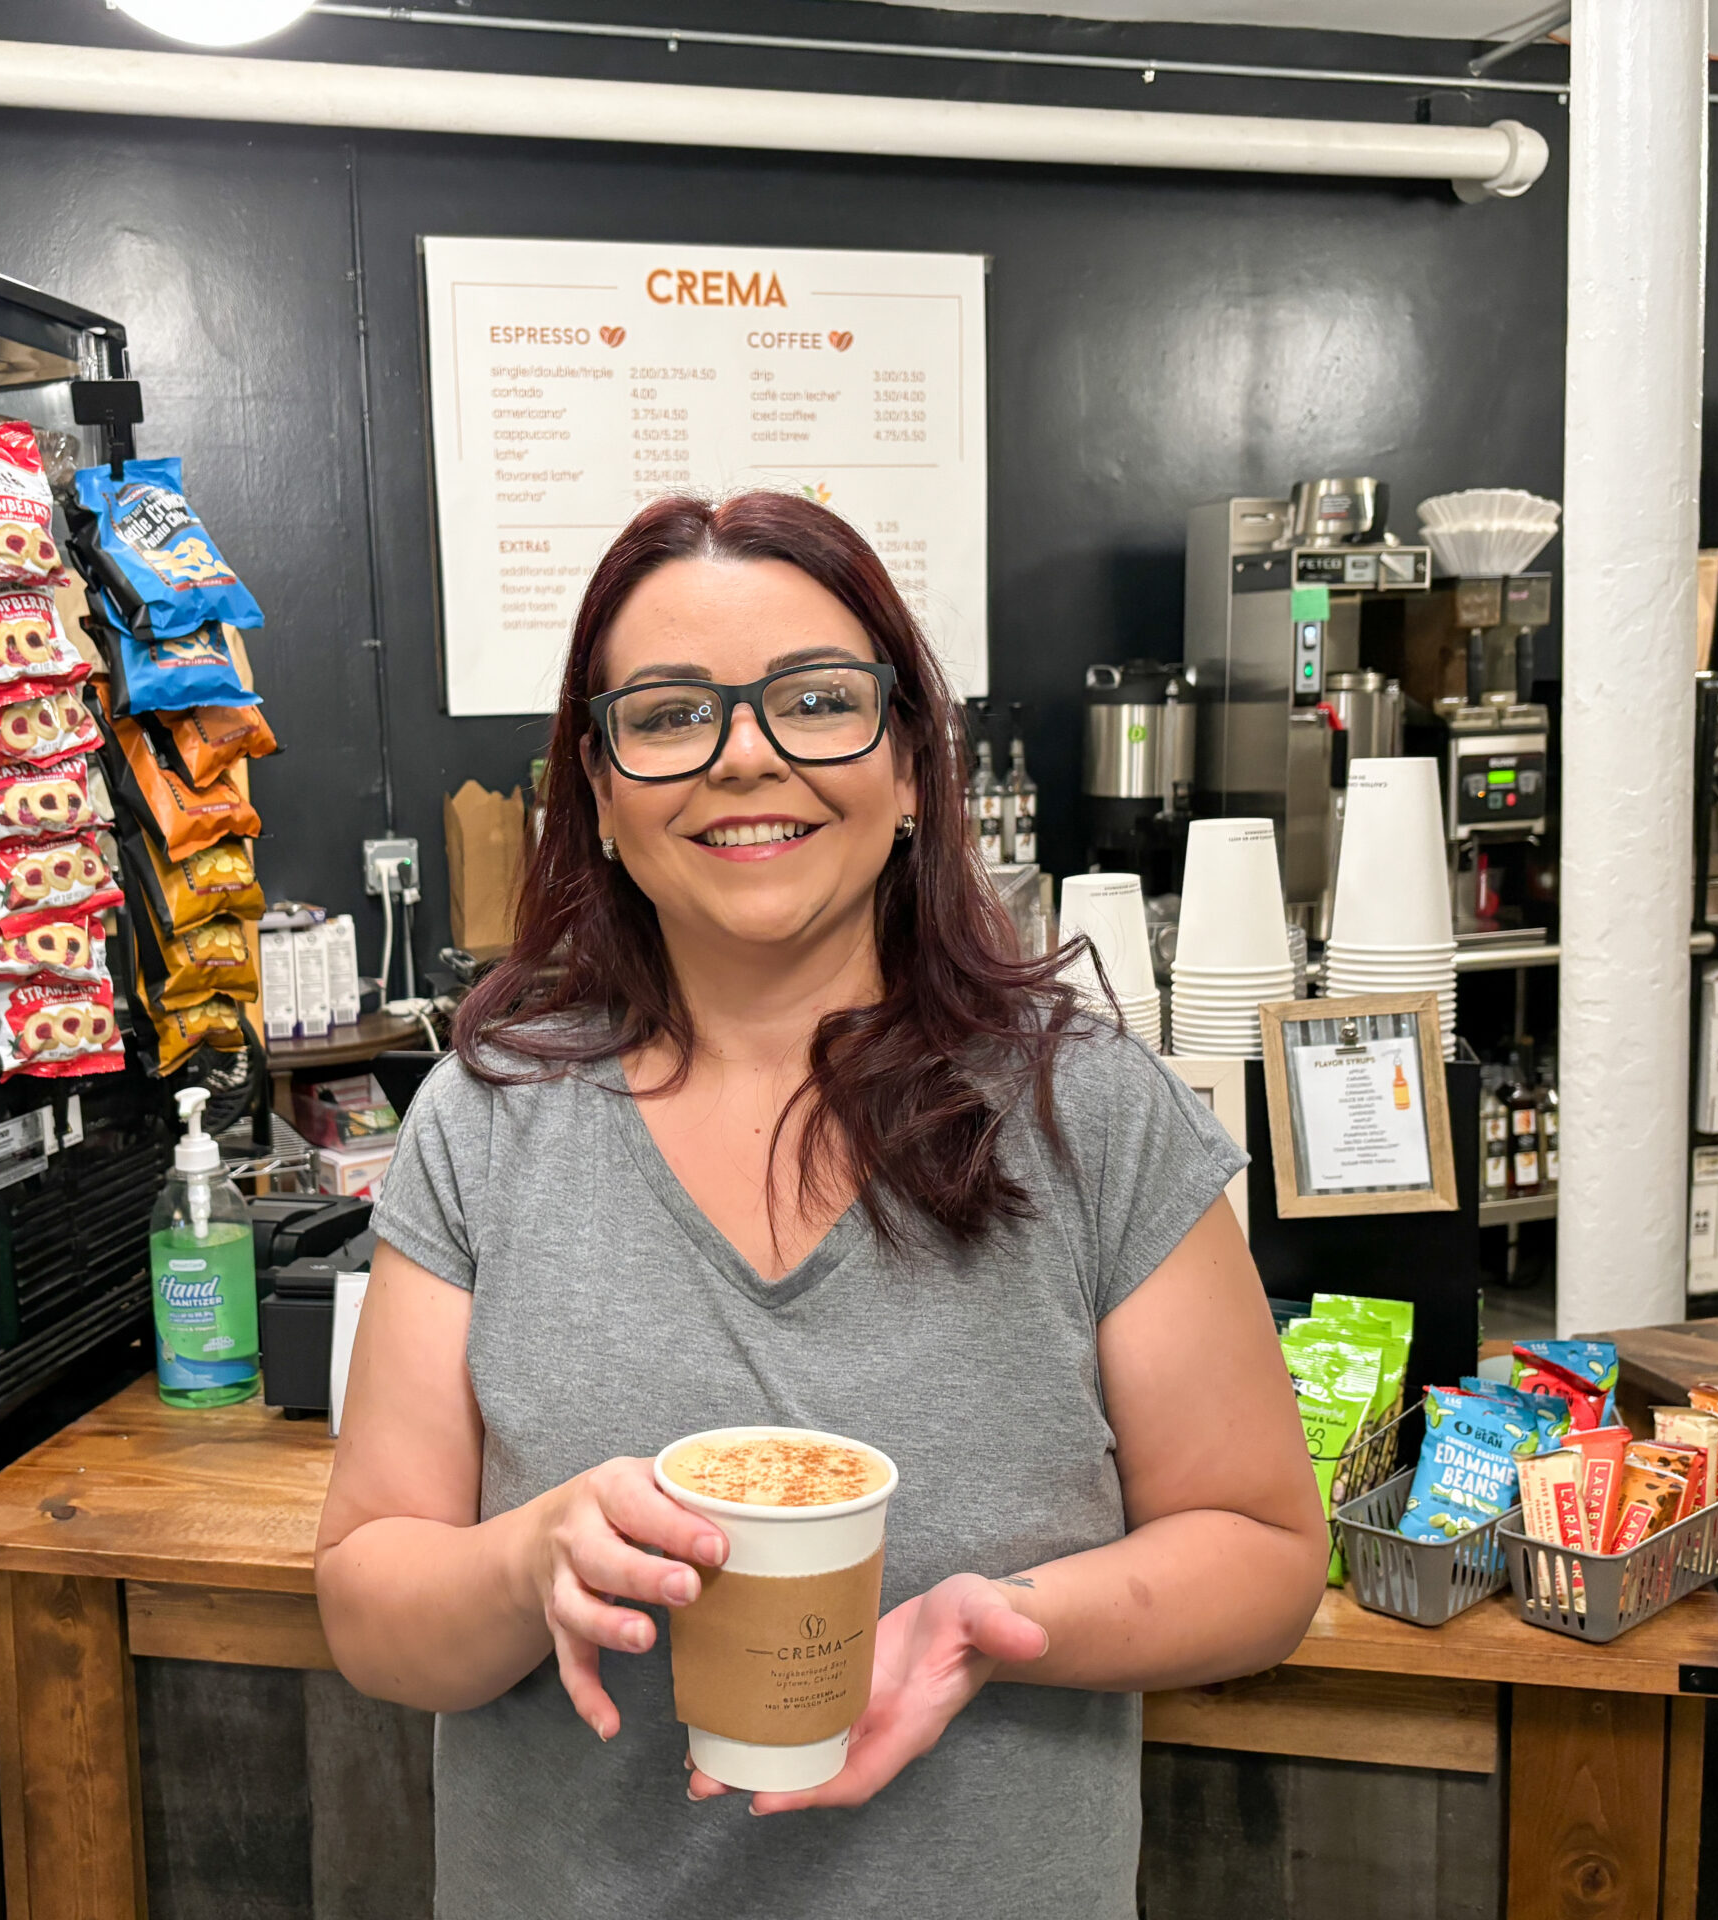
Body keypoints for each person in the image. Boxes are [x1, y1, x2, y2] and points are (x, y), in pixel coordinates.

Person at [315, 492, 1328, 1918]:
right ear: (598, 792)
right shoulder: (487, 1126)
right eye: (669, 715)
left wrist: (999, 1627)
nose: (746, 755)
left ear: (915, 765)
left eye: (817, 700)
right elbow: (369, 1601)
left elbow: (1270, 1555)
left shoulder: (1086, 1114)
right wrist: (526, 1561)